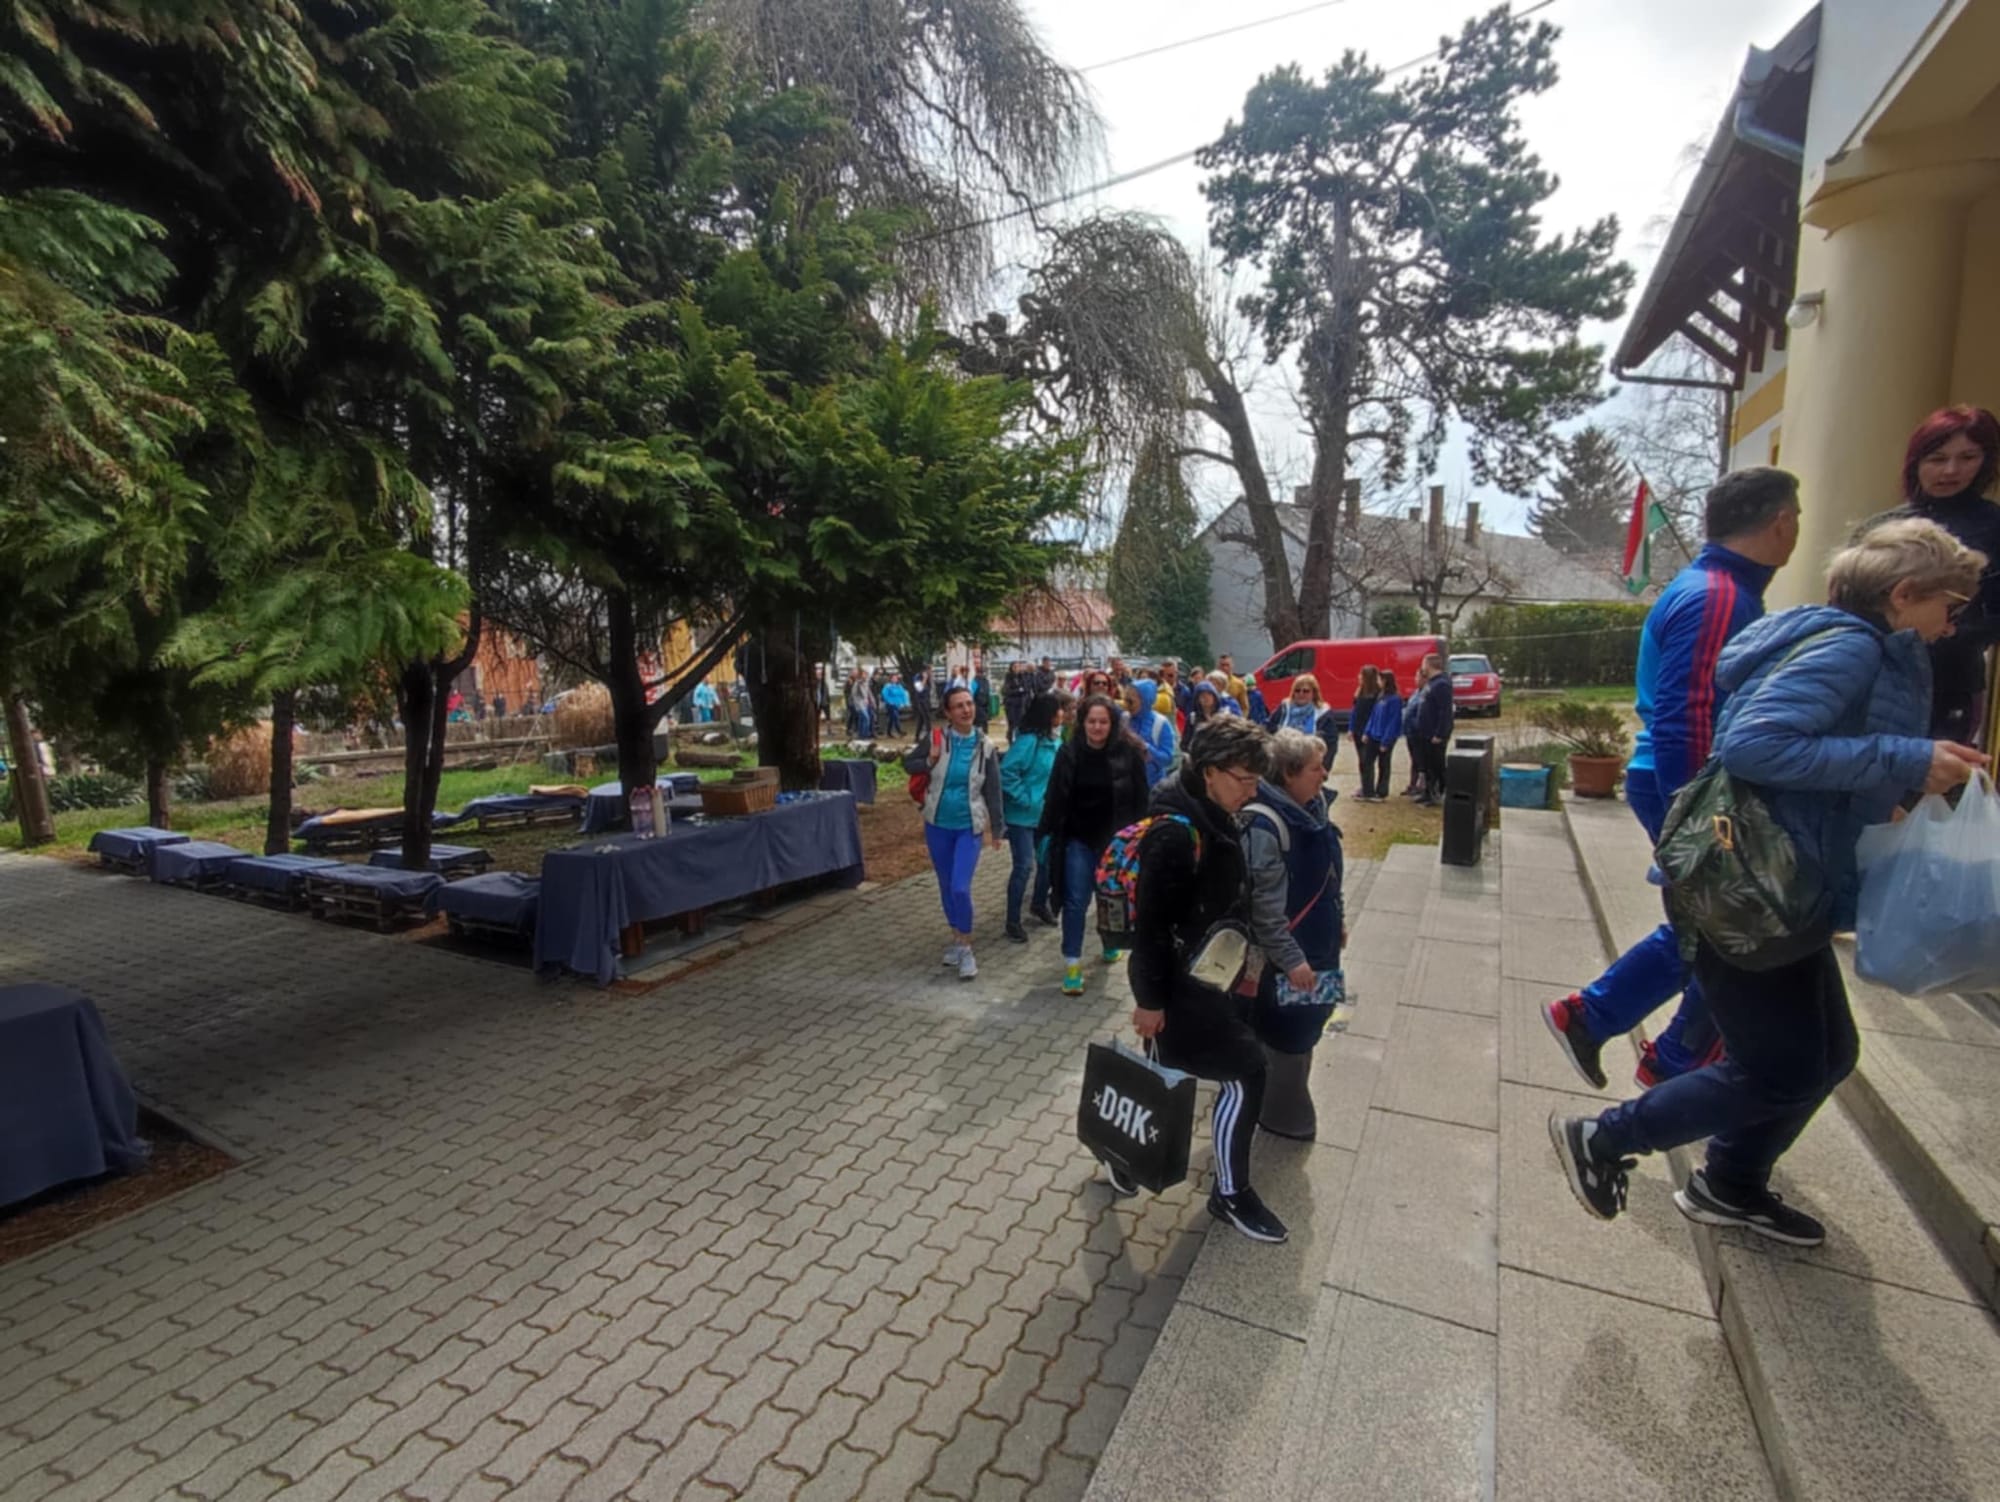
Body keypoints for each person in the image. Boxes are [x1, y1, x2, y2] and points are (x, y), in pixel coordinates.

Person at [1550, 517, 1986, 1246]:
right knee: (1780, 1068)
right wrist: (1905, 759)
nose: (1955, 621)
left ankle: (1731, 1183)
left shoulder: (1849, 642)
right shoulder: (1852, 648)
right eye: (1953, 603)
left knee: (1828, 1055)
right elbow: (1757, 745)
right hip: (1756, 887)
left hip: (1782, 881)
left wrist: (1897, 780)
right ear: (1905, 594)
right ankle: (1605, 1138)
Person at [1544, 468, 1804, 1093]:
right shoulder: (1717, 596)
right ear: (1780, 523)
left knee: (1713, 929)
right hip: (1694, 790)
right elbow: (1689, 714)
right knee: (1724, 930)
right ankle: (1648, 1043)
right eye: (1797, 516)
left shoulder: (1719, 589)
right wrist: (1702, 821)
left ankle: (1641, 1039)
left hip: (1690, 788)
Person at [1117, 716, 1289, 1243]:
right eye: (1245, 779)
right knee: (1247, 1072)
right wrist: (1149, 1001)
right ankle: (1230, 1194)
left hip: (1208, 976)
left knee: (1165, 1073)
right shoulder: (1175, 832)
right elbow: (1150, 927)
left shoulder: (1210, 810)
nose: (1253, 791)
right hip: (1181, 986)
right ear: (1211, 771)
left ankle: (1122, 1156)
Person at [1864, 406, 2000, 743]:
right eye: (1937, 459)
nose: (1951, 470)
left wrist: (1948, 633)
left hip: (1953, 682)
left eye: (1968, 457)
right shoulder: (1881, 527)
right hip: (1875, 674)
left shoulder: (1994, 526)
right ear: (1916, 462)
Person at [1241, 728, 1346, 1140]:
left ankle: (1281, 1104)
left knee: (1310, 1023)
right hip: (1290, 959)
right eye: (1316, 768)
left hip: (1318, 949)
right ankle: (1282, 1117)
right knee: (1289, 1035)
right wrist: (1292, 960)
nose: (1325, 774)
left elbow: (1329, 877)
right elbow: (1265, 912)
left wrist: (1339, 919)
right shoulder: (1265, 826)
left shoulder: (1313, 809)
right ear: (1288, 773)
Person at [1039, 694, 1151, 995]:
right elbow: (1054, 795)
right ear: (1083, 723)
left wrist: (1142, 836)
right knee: (1076, 901)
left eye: (1103, 722)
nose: (1097, 727)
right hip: (1078, 839)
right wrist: (1045, 833)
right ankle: (1073, 964)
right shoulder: (1068, 753)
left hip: (1116, 844)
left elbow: (1142, 798)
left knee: (1110, 898)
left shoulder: (1129, 753)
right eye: (1091, 721)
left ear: (1112, 724)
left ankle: (1110, 941)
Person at [922, 685, 1005, 981]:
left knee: (960, 887)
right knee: (946, 886)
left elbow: (993, 789)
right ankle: (957, 939)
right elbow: (909, 765)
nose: (966, 709)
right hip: (937, 824)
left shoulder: (985, 746)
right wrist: (929, 760)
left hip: (969, 826)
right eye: (959, 705)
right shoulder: (936, 739)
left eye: (969, 703)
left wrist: (998, 828)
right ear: (948, 712)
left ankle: (967, 947)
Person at [1000, 692, 1069, 940]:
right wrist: (1026, 799)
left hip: (1046, 817)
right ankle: (1012, 921)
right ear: (1048, 714)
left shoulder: (1055, 742)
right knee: (1024, 867)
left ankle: (1039, 904)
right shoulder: (1028, 741)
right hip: (1022, 818)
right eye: (1058, 709)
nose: (1062, 713)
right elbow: (1006, 772)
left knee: (1047, 862)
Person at [1266, 672, 1341, 770]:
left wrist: (1321, 768)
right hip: (1282, 765)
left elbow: (1331, 744)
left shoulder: (1323, 713)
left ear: (1314, 693)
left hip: (1309, 766)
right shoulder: (1283, 709)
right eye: (1297, 690)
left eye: (1306, 691)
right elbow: (1268, 731)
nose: (1301, 694)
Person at [1410, 652, 1456, 806]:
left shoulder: (1442, 684)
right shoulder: (1431, 683)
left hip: (1434, 734)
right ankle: (1427, 792)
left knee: (1437, 765)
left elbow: (1445, 711)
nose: (1422, 668)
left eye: (1423, 664)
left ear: (1429, 665)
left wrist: (1440, 733)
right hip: (1424, 732)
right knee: (1427, 765)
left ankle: (1439, 792)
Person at [1356, 671, 1402, 802]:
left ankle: (1381, 792)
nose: (1378, 682)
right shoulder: (1381, 696)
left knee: (1384, 765)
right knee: (1366, 762)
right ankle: (1368, 791)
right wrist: (1367, 732)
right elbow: (1373, 716)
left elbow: (1393, 721)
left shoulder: (1395, 699)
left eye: (1379, 680)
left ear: (1385, 681)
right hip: (1373, 735)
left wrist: (1386, 741)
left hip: (1384, 737)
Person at [1126, 677, 1179, 786]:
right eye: (1125, 700)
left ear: (1144, 700)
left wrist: (1146, 748)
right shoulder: (1124, 719)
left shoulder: (1160, 723)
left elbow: (1168, 758)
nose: (1127, 705)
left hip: (1153, 786)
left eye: (1131, 702)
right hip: (1128, 785)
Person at [1349, 666, 1380, 772]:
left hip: (1369, 732)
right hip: (1358, 730)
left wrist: (1367, 732)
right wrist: (1351, 729)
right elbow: (1354, 711)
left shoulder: (1377, 695)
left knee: (1367, 760)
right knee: (1362, 761)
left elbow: (1375, 715)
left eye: (1361, 675)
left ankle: (1368, 782)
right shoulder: (1359, 691)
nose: (1359, 677)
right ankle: (1364, 780)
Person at [1002, 661, 1033, 744]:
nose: (1017, 668)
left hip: (1020, 704)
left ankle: (1018, 739)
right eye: (1015, 667)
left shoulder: (1021, 676)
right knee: (1012, 724)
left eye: (1018, 667)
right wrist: (1018, 690)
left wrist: (1021, 688)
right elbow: (1006, 691)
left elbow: (1026, 688)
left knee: (1020, 723)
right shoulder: (1009, 677)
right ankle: (1010, 740)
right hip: (1011, 705)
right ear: (1011, 668)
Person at [970, 664, 993, 733]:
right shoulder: (975, 682)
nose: (981, 674)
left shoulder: (985, 681)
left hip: (984, 707)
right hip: (978, 707)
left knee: (983, 726)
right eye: (980, 672)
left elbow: (988, 693)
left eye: (982, 672)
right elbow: (971, 695)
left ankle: (983, 736)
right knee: (979, 726)